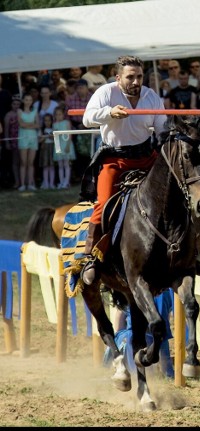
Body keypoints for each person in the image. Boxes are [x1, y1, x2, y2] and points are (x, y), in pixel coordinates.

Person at [80, 55, 168, 286]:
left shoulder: (151, 97)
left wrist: (167, 137)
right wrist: (109, 113)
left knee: (175, 194)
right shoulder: (106, 93)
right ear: (118, 77)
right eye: (130, 77)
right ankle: (91, 257)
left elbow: (162, 128)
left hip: (147, 157)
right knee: (104, 203)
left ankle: (185, 253)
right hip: (115, 160)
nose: (136, 81)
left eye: (139, 76)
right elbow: (87, 118)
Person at [17, 94, 40, 192]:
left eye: (30, 99)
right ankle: (22, 184)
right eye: (26, 99)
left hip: (33, 138)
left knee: (31, 162)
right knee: (23, 162)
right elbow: (21, 124)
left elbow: (38, 124)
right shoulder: (19, 111)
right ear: (23, 100)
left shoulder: (35, 111)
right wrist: (32, 124)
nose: (28, 101)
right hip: (23, 138)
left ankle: (30, 183)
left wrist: (27, 125)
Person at [52, 105, 76, 189]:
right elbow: (55, 136)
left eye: (60, 114)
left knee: (66, 164)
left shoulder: (67, 123)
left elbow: (69, 135)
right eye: (56, 114)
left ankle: (66, 182)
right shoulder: (54, 124)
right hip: (58, 145)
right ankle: (61, 182)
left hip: (66, 144)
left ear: (63, 115)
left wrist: (68, 145)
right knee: (60, 164)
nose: (58, 116)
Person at [38, 113, 56, 190]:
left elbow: (55, 139)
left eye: (49, 120)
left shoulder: (53, 129)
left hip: (51, 148)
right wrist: (45, 137)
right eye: (45, 120)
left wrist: (51, 137)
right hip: (44, 149)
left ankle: (51, 183)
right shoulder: (41, 130)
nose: (47, 122)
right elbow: (39, 140)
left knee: (52, 166)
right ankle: (45, 183)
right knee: (45, 166)